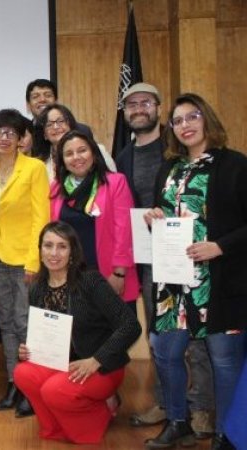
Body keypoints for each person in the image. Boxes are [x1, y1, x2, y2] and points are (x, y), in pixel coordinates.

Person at [143, 93, 247, 450]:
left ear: (207, 120)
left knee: (225, 360)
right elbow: (166, 217)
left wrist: (220, 246)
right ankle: (177, 421)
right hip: (174, 284)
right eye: (178, 120)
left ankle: (227, 433)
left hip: (220, 284)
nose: (185, 125)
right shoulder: (167, 169)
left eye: (192, 117)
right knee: (166, 352)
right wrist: (153, 217)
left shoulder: (235, 165)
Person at [116, 83, 215, 435]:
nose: (138, 109)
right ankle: (167, 401)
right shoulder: (123, 155)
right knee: (161, 333)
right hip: (149, 255)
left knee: (197, 334)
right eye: (131, 104)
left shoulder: (173, 149)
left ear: (159, 109)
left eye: (145, 103)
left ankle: (201, 407)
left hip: (189, 252)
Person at [14, 221, 141, 444]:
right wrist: (28, 349)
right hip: (62, 364)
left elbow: (131, 325)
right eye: (48, 245)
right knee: (23, 372)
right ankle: (55, 427)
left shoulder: (91, 282)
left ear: (72, 252)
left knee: (54, 390)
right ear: (40, 250)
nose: (54, 253)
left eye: (62, 246)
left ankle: (100, 413)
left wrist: (96, 360)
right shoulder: (37, 288)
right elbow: (42, 333)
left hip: (101, 366)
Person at [0, 109, 49, 417]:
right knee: (6, 323)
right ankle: (13, 381)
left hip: (25, 259)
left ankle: (32, 388)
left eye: (11, 133)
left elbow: (41, 217)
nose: (4, 138)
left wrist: (35, 260)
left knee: (26, 324)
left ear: (22, 138)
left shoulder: (34, 168)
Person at [50, 131, 139, 308]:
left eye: (82, 150)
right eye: (68, 153)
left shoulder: (115, 182)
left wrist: (119, 273)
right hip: (70, 279)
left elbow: (125, 230)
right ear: (62, 161)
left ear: (93, 153)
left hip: (108, 274)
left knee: (115, 333)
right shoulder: (56, 189)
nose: (76, 157)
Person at [37, 103, 116, 182]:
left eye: (61, 121)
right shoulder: (40, 164)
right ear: (45, 135)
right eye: (49, 125)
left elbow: (113, 179)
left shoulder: (97, 149)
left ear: (71, 125)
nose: (56, 127)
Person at [24, 79, 95, 161]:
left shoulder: (82, 130)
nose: (42, 99)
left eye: (48, 95)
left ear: (56, 101)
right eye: (36, 97)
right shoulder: (25, 133)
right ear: (28, 105)